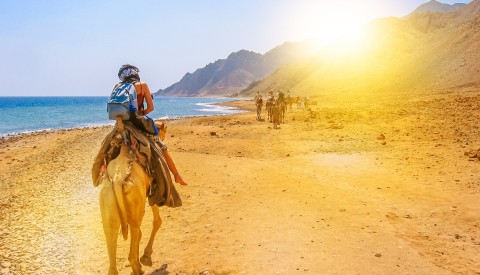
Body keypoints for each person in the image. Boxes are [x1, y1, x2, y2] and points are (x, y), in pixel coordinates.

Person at [116, 64, 187, 186]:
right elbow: (151, 107)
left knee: (107, 148)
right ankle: (177, 176)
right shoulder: (142, 86)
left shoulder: (117, 86)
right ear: (135, 74)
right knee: (162, 148)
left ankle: (100, 175)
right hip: (137, 124)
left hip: (120, 124)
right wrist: (141, 113)